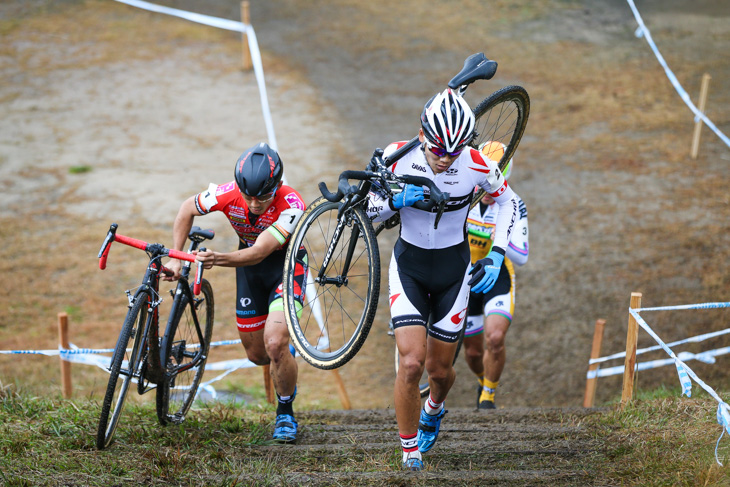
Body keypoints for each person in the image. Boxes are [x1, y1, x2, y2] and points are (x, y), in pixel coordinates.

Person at [366, 89, 518, 471]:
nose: (444, 158)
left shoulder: (477, 164)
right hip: (410, 268)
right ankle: (409, 450)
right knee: (412, 363)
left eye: (453, 151)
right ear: (422, 134)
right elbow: (367, 211)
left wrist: (498, 253)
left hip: (455, 271)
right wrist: (395, 201)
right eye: (437, 150)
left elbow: (508, 202)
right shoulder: (396, 157)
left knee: (439, 371)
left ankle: (434, 407)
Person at [163, 142, 308, 443]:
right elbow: (186, 209)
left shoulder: (292, 204)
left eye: (264, 197)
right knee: (257, 355)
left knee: (275, 341)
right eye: (249, 197)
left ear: (278, 186)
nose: (255, 204)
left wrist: (218, 259)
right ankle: (282, 354)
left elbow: (259, 251)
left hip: (285, 266)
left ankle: (285, 411)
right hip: (249, 270)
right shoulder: (227, 193)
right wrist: (176, 256)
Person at [463, 141, 529, 410]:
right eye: (482, 184)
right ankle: (483, 379)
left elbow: (522, 256)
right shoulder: (464, 197)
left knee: (495, 339)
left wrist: (498, 240)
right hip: (466, 279)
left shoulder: (513, 204)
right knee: (473, 352)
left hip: (497, 276)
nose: (487, 192)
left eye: (495, 183)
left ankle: (487, 397)